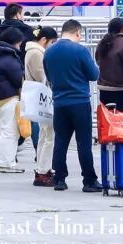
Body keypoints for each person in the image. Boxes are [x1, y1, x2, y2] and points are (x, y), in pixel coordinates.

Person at [44, 20, 103, 192]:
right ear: (78, 32)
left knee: (60, 141)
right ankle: (89, 180)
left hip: (59, 102)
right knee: (83, 142)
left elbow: (49, 77)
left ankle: (59, 179)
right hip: (79, 102)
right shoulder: (80, 50)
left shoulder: (49, 51)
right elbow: (94, 75)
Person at [0, 27, 26, 173]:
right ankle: (7, 163)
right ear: (15, 41)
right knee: (10, 131)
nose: (20, 46)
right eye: (20, 43)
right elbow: (18, 79)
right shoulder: (9, 58)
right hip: (8, 97)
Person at [25, 26, 58, 187]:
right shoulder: (37, 53)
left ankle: (42, 169)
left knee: (45, 136)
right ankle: (43, 171)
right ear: (44, 40)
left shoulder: (32, 51)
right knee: (48, 137)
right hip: (44, 99)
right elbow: (43, 77)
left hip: (39, 100)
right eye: (52, 42)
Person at [95, 17, 123, 113]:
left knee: (108, 119)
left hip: (104, 90)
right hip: (122, 91)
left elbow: (98, 60)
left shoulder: (102, 43)